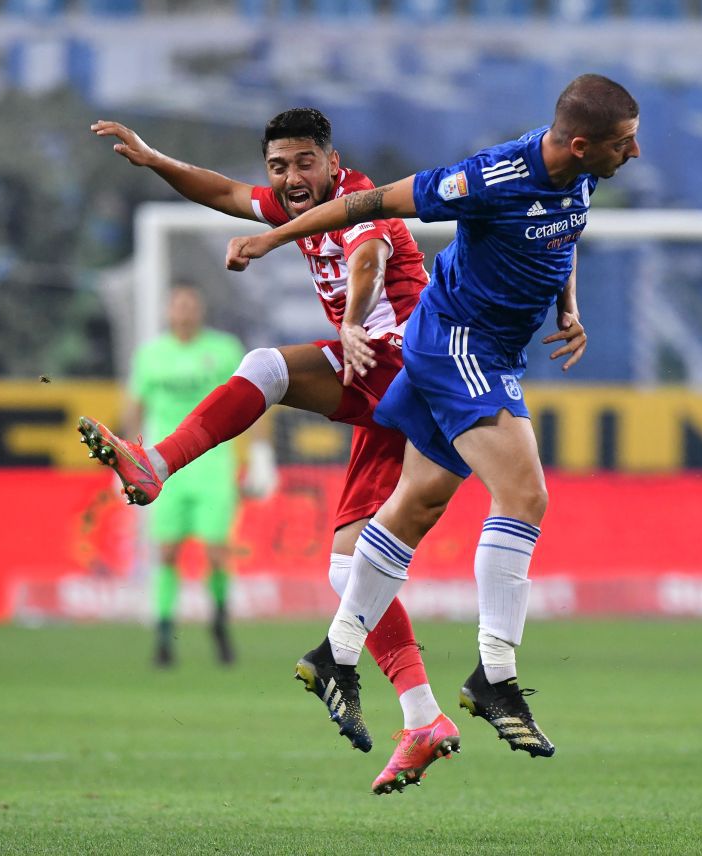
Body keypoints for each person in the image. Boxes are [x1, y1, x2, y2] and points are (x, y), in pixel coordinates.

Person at [225, 74, 641, 761]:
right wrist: (274, 239)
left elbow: (563, 232)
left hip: (481, 345)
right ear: (579, 142)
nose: (634, 154)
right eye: (625, 143)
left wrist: (567, 306)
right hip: (458, 343)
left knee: (415, 503)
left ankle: (336, 651)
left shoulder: (584, 172)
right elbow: (370, 199)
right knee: (525, 495)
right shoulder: (490, 177)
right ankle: (495, 676)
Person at [79, 109, 458, 794]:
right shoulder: (288, 206)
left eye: (304, 163)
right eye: (279, 166)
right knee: (347, 568)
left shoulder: (360, 200)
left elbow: (369, 257)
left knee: (266, 367)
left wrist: (346, 322)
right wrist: (155, 158)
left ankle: (156, 463)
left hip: (409, 363)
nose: (290, 178)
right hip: (387, 392)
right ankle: (424, 717)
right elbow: (223, 193)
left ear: (333, 161)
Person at [103, 283, 259, 668]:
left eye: (191, 303)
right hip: (164, 467)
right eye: (178, 305)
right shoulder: (151, 356)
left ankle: (220, 624)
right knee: (167, 551)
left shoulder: (223, 350)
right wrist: (120, 463)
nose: (185, 311)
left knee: (217, 552)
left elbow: (255, 400)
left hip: (213, 466)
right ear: (168, 311)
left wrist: (260, 455)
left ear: (200, 309)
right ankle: (163, 635)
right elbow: (134, 408)